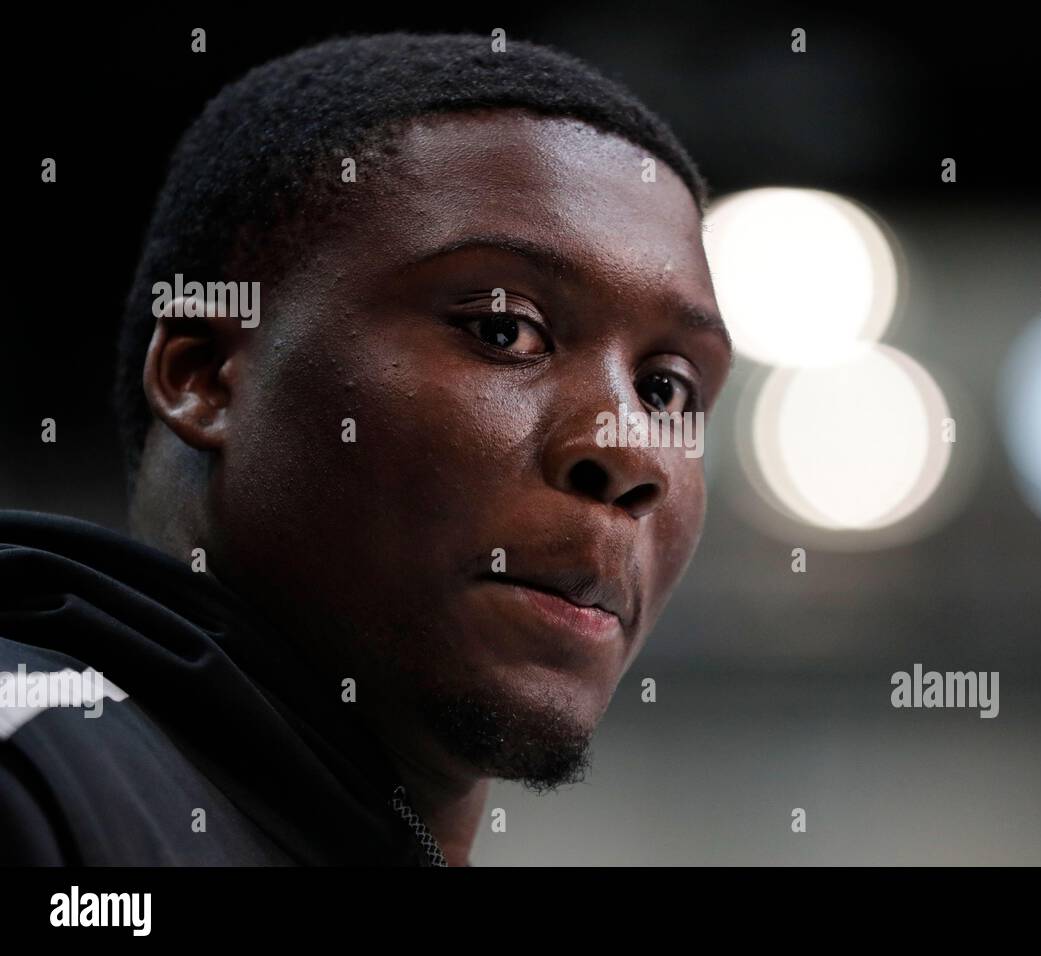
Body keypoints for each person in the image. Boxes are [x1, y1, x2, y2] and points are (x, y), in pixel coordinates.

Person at [0, 32, 731, 866]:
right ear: (205, 375)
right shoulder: (33, 784)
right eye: (503, 330)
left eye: (667, 389)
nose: (629, 454)